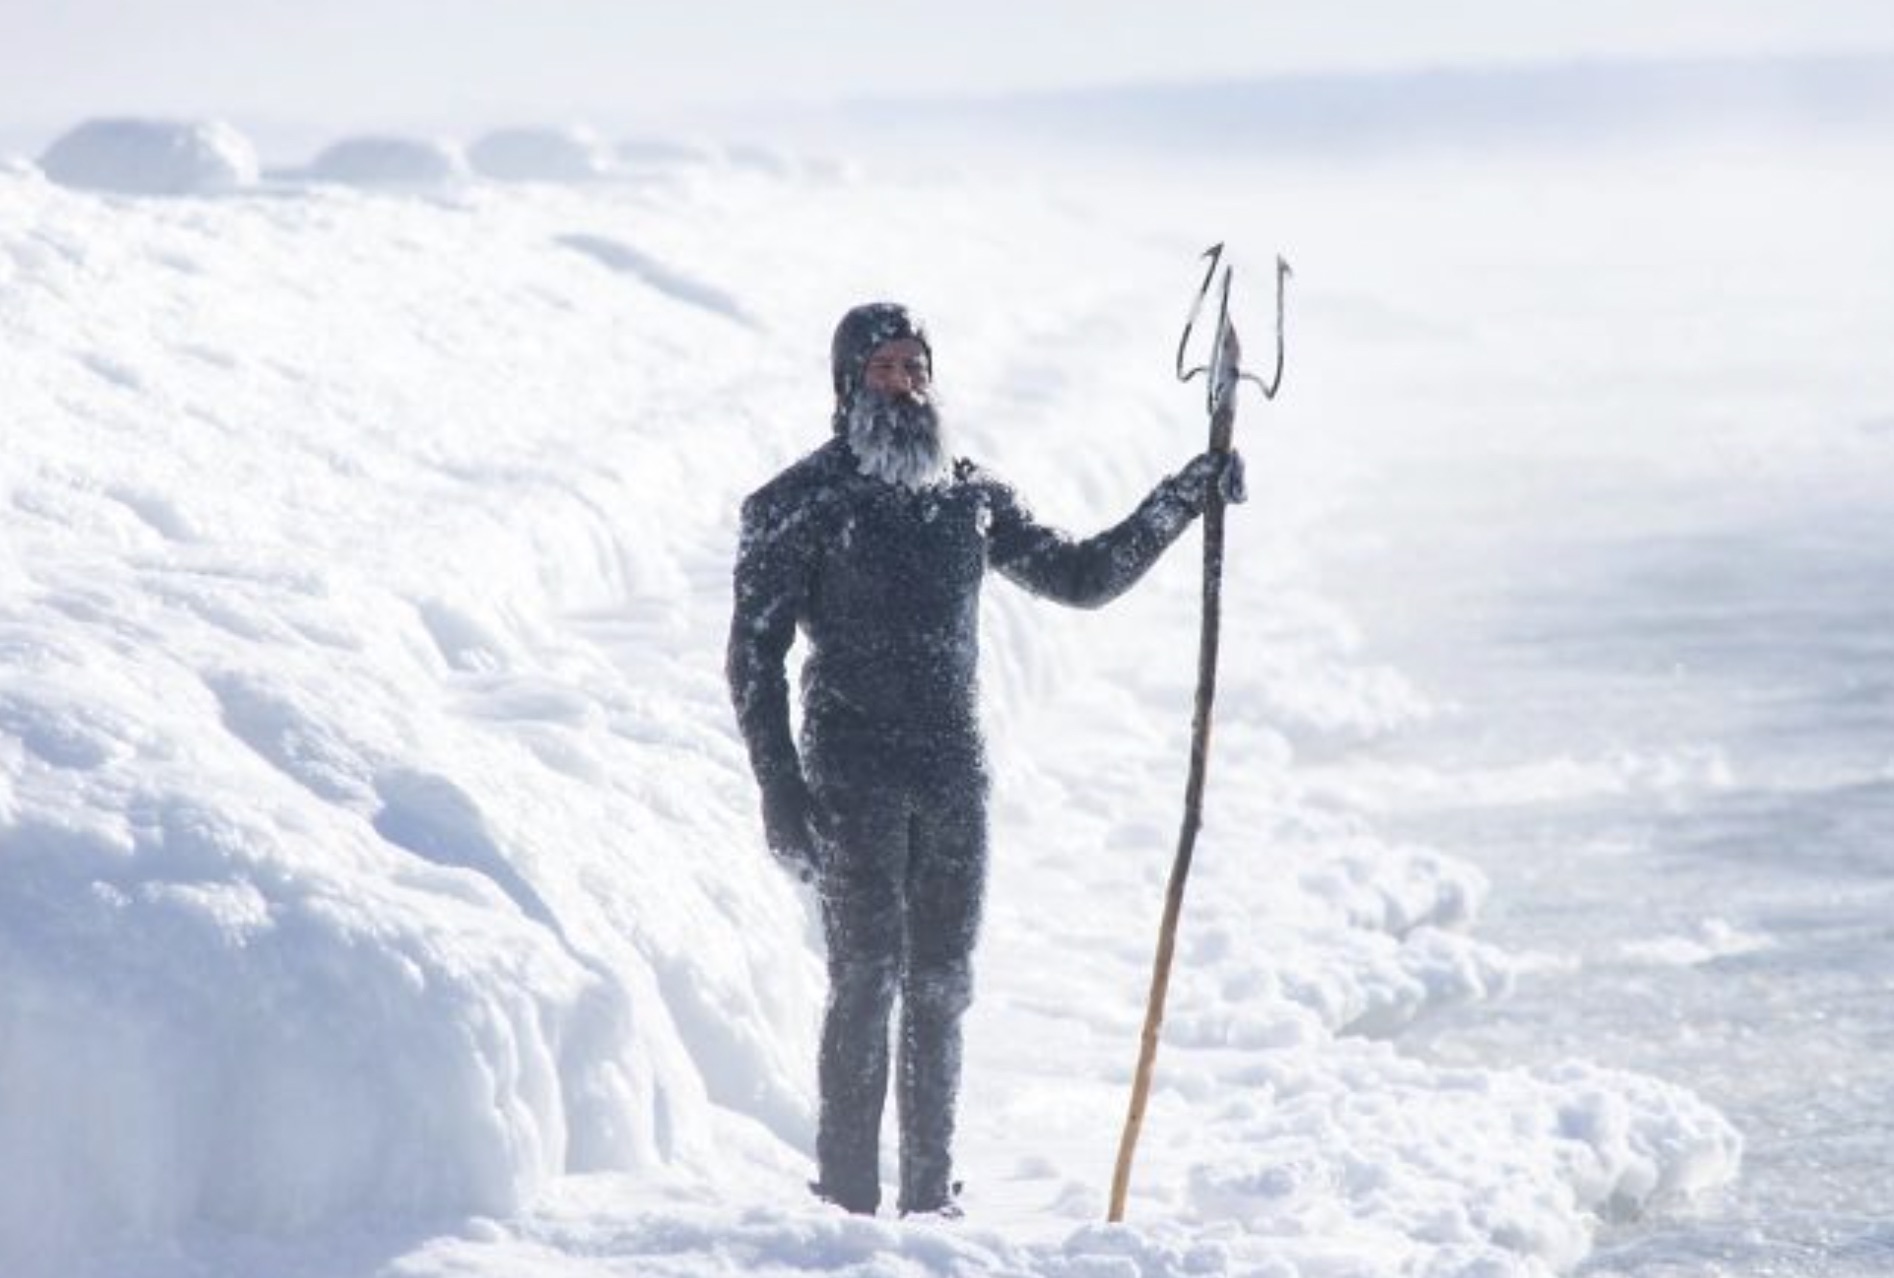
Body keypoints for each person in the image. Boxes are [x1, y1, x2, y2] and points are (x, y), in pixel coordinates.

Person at [726, 301, 1244, 1218]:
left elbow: (1081, 577)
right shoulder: (795, 504)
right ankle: (846, 1204)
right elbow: (753, 661)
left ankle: (930, 1201)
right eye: (884, 368)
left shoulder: (968, 498)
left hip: (953, 773)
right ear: (848, 384)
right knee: (865, 981)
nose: (904, 382)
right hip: (851, 773)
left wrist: (1181, 498)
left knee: (942, 984)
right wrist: (781, 791)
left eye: (915, 366)